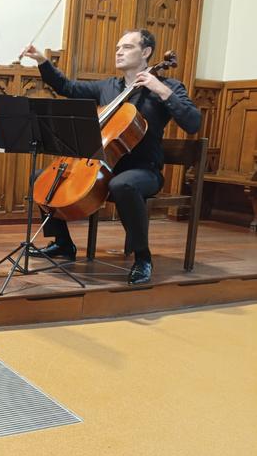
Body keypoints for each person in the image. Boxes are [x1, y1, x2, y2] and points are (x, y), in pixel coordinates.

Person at [20, 28, 201, 284]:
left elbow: (193, 123)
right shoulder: (108, 86)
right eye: (117, 47)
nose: (119, 51)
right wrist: (42, 61)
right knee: (42, 178)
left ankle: (142, 257)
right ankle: (62, 243)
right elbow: (67, 86)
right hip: (103, 166)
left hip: (143, 170)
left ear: (146, 52)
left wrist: (161, 89)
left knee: (122, 184)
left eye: (127, 47)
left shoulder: (168, 86)